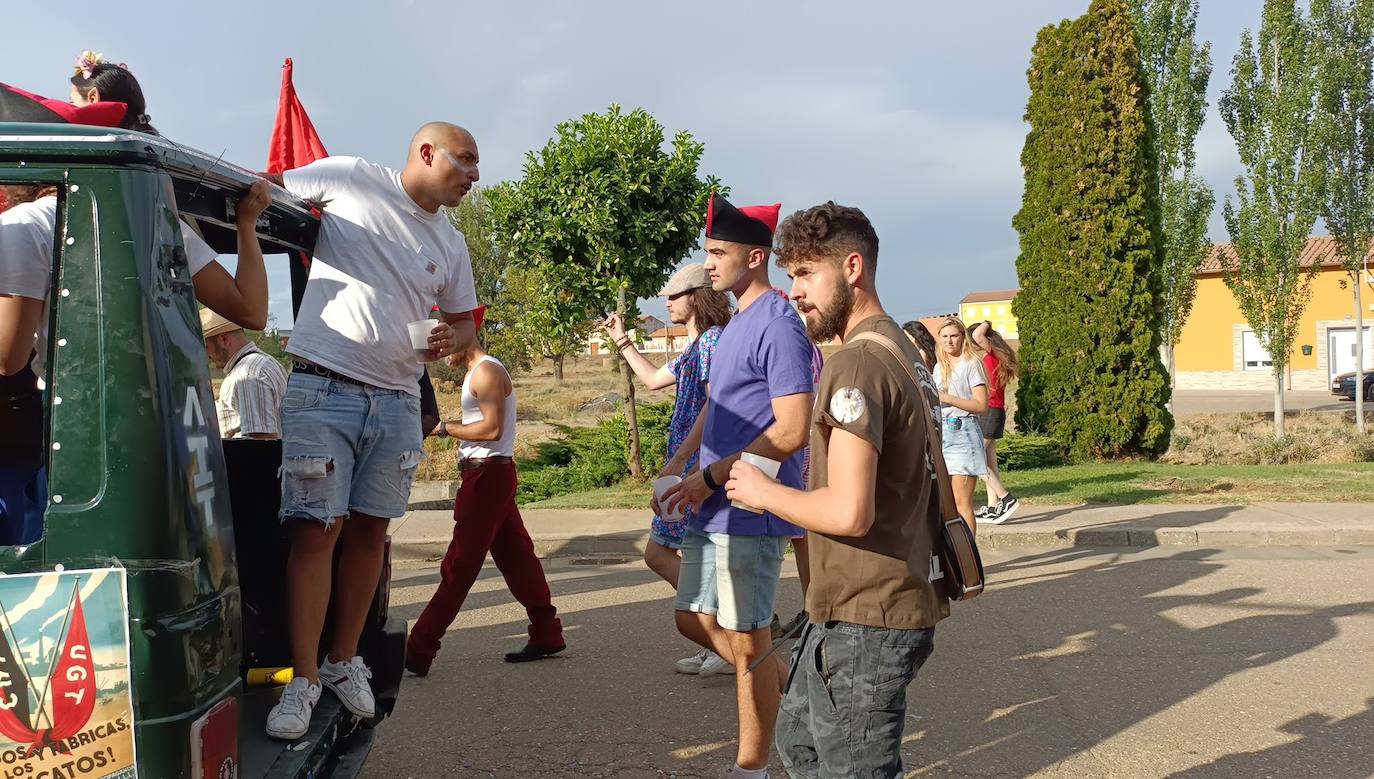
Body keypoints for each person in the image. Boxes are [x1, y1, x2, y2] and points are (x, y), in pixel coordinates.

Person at [260, 122, 480, 740]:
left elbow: (464, 326)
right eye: (464, 160)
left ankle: (341, 661)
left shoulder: (453, 245)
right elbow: (267, 192)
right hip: (322, 384)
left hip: (396, 399)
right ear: (426, 153)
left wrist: (449, 339)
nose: (473, 175)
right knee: (316, 532)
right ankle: (300, 680)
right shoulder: (352, 177)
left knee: (371, 534)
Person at [726, 201, 948, 778]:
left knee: (853, 769)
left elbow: (850, 511)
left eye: (805, 274)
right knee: (800, 742)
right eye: (790, 274)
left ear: (852, 267)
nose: (792, 291)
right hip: (860, 606)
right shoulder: (901, 349)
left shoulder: (855, 365)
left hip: (867, 614)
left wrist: (760, 490)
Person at [660, 194, 814, 778]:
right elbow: (714, 408)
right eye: (708, 251)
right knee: (692, 620)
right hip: (711, 503)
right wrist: (680, 462)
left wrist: (710, 476)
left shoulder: (777, 324)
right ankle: (796, 692)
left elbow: (794, 427)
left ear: (756, 257)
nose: (709, 263)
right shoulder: (736, 324)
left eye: (718, 252)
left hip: (748, 507)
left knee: (749, 642)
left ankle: (752, 768)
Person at [407, 305, 564, 675]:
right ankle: (547, 632)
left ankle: (418, 649)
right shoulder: (479, 372)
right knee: (517, 557)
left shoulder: (488, 371)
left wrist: (443, 428)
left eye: (445, 339)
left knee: (459, 565)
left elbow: (491, 429)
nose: (442, 350)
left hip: (487, 476)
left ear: (467, 331)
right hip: (489, 474)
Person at [66, 51, 271, 330]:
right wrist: (245, 223)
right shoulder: (162, 227)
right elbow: (251, 312)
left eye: (71, 104)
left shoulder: (54, 215)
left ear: (93, 101)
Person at [599, 262, 732, 676]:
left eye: (674, 296)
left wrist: (678, 459)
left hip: (695, 468)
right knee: (685, 553)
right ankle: (719, 638)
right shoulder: (694, 348)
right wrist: (622, 341)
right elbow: (655, 378)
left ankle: (720, 639)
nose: (667, 301)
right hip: (688, 466)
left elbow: (715, 405)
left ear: (696, 297)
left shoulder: (711, 342)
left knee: (660, 553)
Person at [935, 316, 988, 532]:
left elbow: (981, 404)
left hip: (963, 431)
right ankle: (953, 552)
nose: (949, 341)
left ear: (962, 337)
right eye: (944, 336)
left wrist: (947, 398)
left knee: (961, 502)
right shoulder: (940, 366)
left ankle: (968, 558)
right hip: (942, 433)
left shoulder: (971, 363)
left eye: (954, 336)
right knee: (945, 503)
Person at [201, 309, 288, 440]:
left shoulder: (247, 375)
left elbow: (262, 442)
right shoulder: (265, 363)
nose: (206, 355)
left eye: (206, 346)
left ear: (224, 340)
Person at [970, 320, 1020, 524]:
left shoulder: (991, 353)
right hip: (994, 412)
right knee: (989, 461)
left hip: (990, 412)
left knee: (974, 459)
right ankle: (993, 507)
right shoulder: (994, 357)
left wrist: (986, 323)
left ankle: (1006, 499)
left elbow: (977, 335)